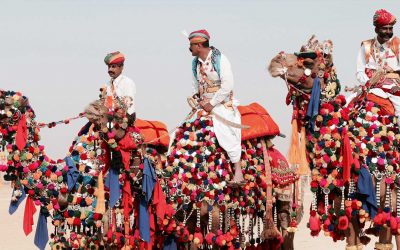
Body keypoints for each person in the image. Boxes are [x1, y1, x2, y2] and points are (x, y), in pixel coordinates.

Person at [188, 29, 244, 185]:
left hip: (221, 104)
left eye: (191, 45)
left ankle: (238, 170)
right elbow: (195, 85)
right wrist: (198, 100)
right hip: (203, 106)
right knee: (184, 131)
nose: (189, 49)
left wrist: (211, 104)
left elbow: (227, 85)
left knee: (224, 130)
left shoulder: (220, 59)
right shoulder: (195, 63)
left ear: (199, 45)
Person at [356, 9, 400, 123]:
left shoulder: (397, 44)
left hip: (393, 87)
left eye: (391, 29)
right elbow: (359, 71)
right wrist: (368, 83)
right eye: (385, 28)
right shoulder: (366, 46)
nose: (388, 32)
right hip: (371, 85)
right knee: (348, 104)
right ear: (376, 29)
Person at [103, 51, 136, 122]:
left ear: (121, 67)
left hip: (125, 118)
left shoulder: (127, 82)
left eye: (113, 67)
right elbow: (104, 102)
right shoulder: (107, 84)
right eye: (109, 67)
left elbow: (128, 104)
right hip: (110, 118)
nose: (110, 70)